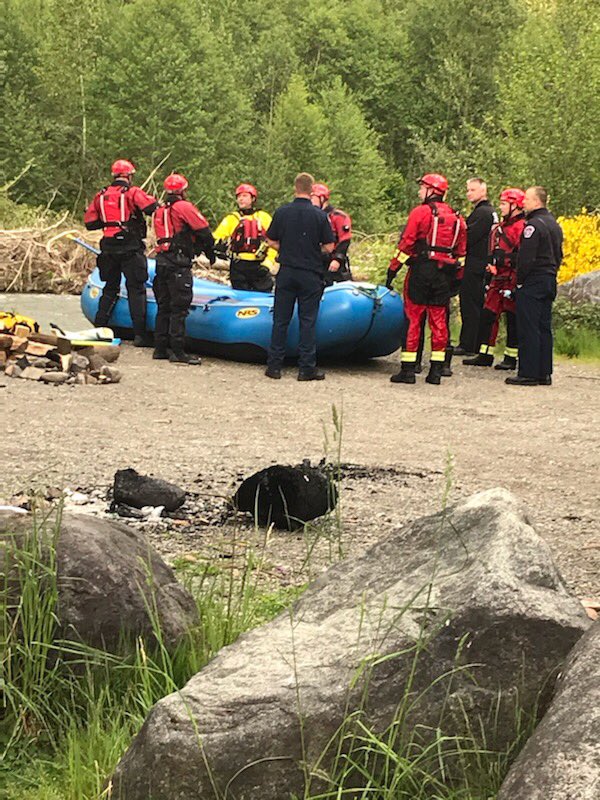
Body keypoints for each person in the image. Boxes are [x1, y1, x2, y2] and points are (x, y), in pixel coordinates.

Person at [386, 173, 467, 385]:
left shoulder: (420, 213)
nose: (419, 191)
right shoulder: (457, 218)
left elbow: (406, 244)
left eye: (422, 188)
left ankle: (408, 371)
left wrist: (392, 270)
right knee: (439, 323)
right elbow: (461, 254)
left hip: (421, 272)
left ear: (431, 191)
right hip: (444, 276)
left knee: (413, 320)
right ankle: (436, 372)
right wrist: (457, 280)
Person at [264, 172, 335, 381]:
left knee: (280, 320)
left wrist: (285, 247)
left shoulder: (282, 212)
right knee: (307, 322)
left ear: (295, 188)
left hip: (286, 271)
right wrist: (314, 250)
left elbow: (270, 240)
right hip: (310, 273)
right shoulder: (320, 216)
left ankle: (274, 366)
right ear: (312, 190)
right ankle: (306, 369)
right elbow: (330, 246)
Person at [84, 159, 158, 346]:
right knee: (136, 289)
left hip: (108, 246)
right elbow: (151, 208)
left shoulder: (100, 195)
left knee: (110, 287)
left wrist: (110, 221)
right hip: (130, 246)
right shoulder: (132, 192)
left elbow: (90, 223)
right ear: (129, 176)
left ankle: (98, 328)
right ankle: (140, 335)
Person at [151, 173, 216, 364]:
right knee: (179, 308)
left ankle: (160, 348)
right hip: (178, 264)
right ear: (182, 190)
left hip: (162, 261)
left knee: (163, 307)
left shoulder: (160, 210)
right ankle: (178, 352)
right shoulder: (183, 207)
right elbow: (203, 229)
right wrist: (209, 250)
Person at [506, 186, 563, 386]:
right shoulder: (554, 224)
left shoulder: (533, 226)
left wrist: (520, 281)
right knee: (543, 327)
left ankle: (528, 372)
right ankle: (544, 372)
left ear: (537, 202)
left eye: (528, 199)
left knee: (528, 326)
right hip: (549, 279)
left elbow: (526, 258)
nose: (523, 203)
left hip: (533, 280)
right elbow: (558, 255)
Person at [463, 188, 526, 370]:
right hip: (497, 277)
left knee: (512, 319)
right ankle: (485, 354)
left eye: (504, 204)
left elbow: (521, 256)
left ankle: (510, 358)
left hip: (511, 278)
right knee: (488, 315)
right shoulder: (502, 227)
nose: (501, 207)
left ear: (515, 206)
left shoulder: (521, 227)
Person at [455, 178, 498, 356]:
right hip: (482, 263)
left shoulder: (483, 213)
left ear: (483, 191)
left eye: (472, 190)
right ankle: (474, 342)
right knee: (475, 303)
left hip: (476, 264)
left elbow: (468, 237)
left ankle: (468, 344)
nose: (468, 193)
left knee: (470, 304)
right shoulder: (489, 212)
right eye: (468, 190)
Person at [213, 184, 276, 292]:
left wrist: (267, 265)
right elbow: (216, 237)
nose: (241, 199)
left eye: (245, 196)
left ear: (253, 199)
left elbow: (273, 242)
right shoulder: (232, 219)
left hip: (259, 266)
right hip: (239, 266)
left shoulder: (263, 217)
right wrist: (218, 246)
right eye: (239, 196)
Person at [310, 183, 353, 283]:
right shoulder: (311, 217)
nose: (310, 201)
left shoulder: (338, 216)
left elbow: (345, 240)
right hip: (315, 261)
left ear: (322, 198)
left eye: (313, 198)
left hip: (332, 261)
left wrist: (337, 259)